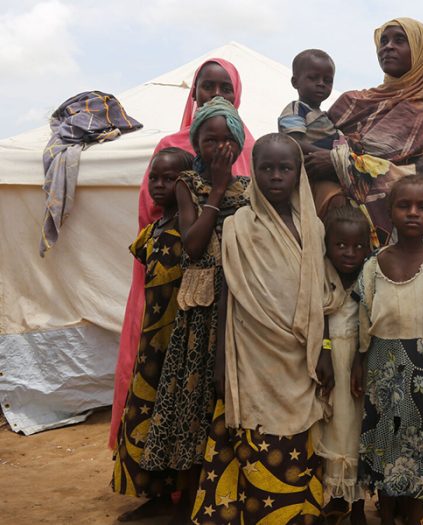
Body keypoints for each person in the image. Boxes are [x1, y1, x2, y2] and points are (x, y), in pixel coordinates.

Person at [109, 58, 255, 450]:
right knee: (164, 373)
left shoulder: (252, 146)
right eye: (209, 86)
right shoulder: (171, 147)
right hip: (173, 277)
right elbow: (150, 211)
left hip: (231, 287)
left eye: (227, 88)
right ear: (194, 92)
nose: (217, 95)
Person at [191, 133, 334, 525]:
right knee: (254, 438)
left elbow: (322, 298)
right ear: (253, 172)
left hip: (300, 357)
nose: (275, 176)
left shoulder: (314, 229)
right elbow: (229, 299)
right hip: (252, 357)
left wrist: (323, 348)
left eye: (285, 168)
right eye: (266, 168)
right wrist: (221, 360)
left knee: (298, 444)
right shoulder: (237, 226)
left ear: (298, 173)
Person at [138, 97, 250, 524]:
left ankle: (224, 494)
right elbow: (194, 244)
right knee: (192, 398)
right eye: (209, 139)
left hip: (238, 309)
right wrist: (217, 188)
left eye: (226, 139)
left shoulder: (252, 189)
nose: (218, 146)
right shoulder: (189, 183)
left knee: (226, 402)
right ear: (197, 142)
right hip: (200, 310)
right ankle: (184, 499)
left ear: (239, 144)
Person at [351, 175, 423, 525]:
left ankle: (416, 514)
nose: (413, 213)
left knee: (420, 445)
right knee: (384, 442)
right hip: (381, 365)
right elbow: (363, 318)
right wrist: (358, 363)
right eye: (404, 206)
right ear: (389, 212)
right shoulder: (373, 265)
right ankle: (387, 515)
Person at [305, 18, 423, 255]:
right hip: (329, 236)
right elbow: (312, 143)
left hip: (396, 243)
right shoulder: (352, 102)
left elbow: (420, 178)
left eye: (399, 40)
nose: (388, 47)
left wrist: (340, 164)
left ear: (420, 50)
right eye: (383, 41)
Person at [111, 147, 193, 522]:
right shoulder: (152, 232)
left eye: (169, 178)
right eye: (154, 178)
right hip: (152, 343)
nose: (159, 185)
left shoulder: (191, 232)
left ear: (187, 181)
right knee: (148, 414)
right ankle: (157, 493)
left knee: (177, 417)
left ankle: (182, 498)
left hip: (181, 341)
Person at [316, 206, 371, 525]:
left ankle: (360, 504)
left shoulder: (370, 275)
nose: (350, 253)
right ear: (327, 245)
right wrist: (324, 351)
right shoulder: (321, 273)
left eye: (358, 246)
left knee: (357, 431)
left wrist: (360, 362)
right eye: (340, 245)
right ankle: (337, 499)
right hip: (330, 363)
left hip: (357, 366)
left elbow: (371, 324)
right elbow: (318, 316)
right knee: (333, 428)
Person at [278, 49, 346, 218]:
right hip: (313, 173)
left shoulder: (323, 115)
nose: (321, 83)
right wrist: (332, 157)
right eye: (313, 78)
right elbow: (292, 143)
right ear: (295, 82)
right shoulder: (295, 109)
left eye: (327, 80)